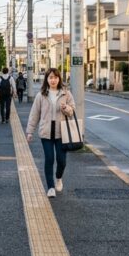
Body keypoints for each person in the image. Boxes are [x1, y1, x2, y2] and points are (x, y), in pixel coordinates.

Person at [25, 68, 75, 198]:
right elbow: (34, 114)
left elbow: (72, 111)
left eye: (55, 77)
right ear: (47, 79)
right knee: (49, 159)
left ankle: (58, 177)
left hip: (61, 132)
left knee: (61, 160)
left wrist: (66, 108)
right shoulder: (41, 95)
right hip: (46, 133)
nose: (53, 80)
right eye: (51, 77)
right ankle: (50, 187)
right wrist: (30, 131)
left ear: (59, 79)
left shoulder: (66, 94)